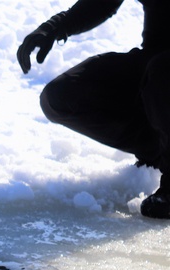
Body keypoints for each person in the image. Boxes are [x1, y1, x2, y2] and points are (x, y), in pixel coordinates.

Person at [16, 0, 170, 219]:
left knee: (163, 70)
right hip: (154, 71)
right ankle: (157, 148)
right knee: (61, 97)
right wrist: (55, 27)